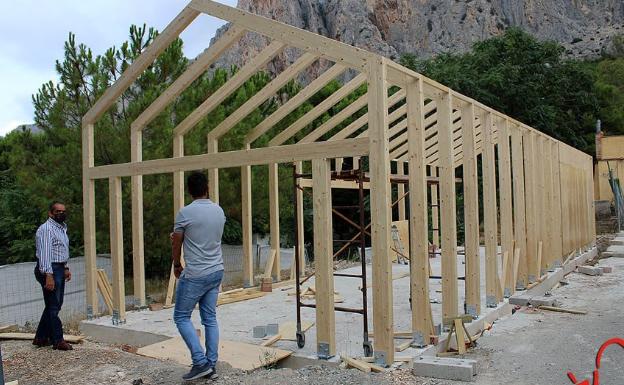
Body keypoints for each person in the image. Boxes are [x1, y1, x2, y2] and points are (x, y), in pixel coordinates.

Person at [172, 171, 226, 381]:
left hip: (195, 274)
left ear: (189, 190)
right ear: (207, 188)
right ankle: (211, 364)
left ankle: (200, 362)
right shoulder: (218, 211)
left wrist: (177, 264)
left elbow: (178, 241)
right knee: (210, 318)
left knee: (181, 316)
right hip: (216, 271)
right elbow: (207, 237)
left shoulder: (185, 213)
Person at [33, 201, 73, 351]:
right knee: (54, 306)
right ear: (50, 213)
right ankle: (58, 340)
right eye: (58, 211)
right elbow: (45, 254)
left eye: (63, 211)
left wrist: (65, 267)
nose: (61, 213)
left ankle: (41, 337)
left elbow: (61, 250)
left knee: (54, 304)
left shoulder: (61, 228)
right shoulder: (46, 229)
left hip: (58, 268)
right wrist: (48, 275)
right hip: (49, 269)